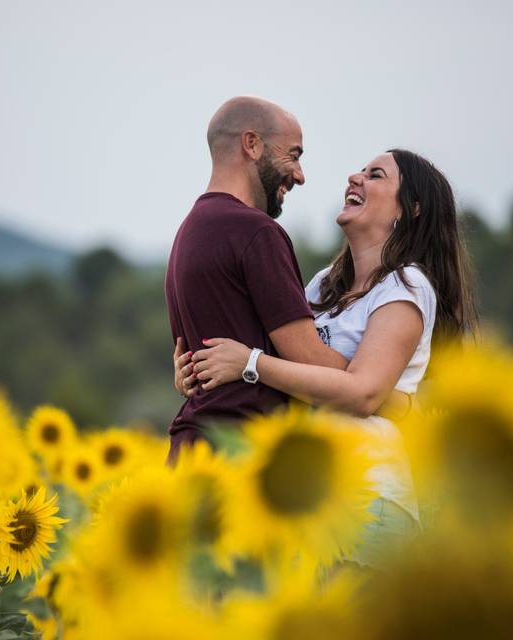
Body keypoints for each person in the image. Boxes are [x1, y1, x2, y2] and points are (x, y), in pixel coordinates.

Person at [179, 149, 476, 562]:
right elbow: (289, 359)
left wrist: (249, 365)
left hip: (370, 495)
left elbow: (363, 394)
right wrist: (202, 367)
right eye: (359, 170)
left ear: (410, 209)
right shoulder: (322, 288)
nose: (354, 178)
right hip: (316, 501)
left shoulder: (406, 288)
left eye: (375, 175)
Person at [165, 97, 409, 465]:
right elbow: (309, 358)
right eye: (293, 155)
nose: (299, 175)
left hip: (191, 448)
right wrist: (390, 396)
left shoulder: (189, 231)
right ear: (252, 145)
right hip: (240, 452)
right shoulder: (255, 231)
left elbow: (190, 359)